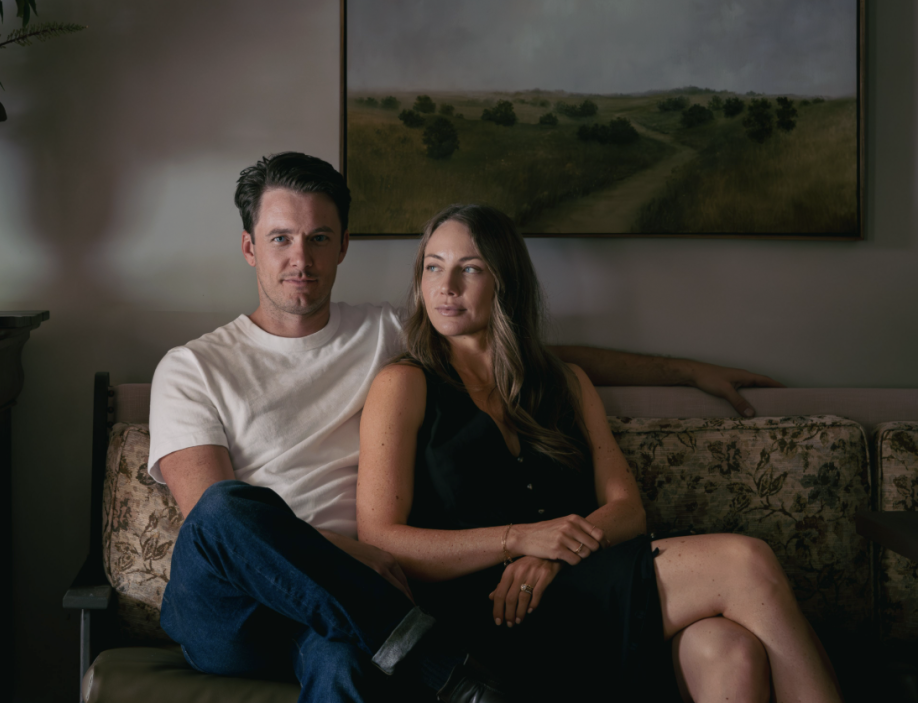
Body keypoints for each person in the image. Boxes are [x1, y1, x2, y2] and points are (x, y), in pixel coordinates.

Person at [148, 152, 784, 703]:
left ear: (344, 245)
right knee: (226, 509)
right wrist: (361, 554)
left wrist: (684, 369)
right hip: (242, 609)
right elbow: (215, 522)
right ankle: (447, 674)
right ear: (250, 246)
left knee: (344, 664)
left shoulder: (389, 332)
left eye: (319, 238)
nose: (301, 258)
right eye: (281, 238)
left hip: (354, 619)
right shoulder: (194, 366)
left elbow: (523, 350)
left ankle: (418, 656)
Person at [356, 203, 843, 703]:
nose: (446, 286)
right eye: (433, 266)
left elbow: (627, 511)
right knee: (745, 560)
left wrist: (557, 554)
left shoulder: (566, 383)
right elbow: (382, 537)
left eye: (470, 268)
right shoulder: (404, 384)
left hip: (583, 584)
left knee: (728, 649)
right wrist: (522, 540)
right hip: (490, 617)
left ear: (505, 280)